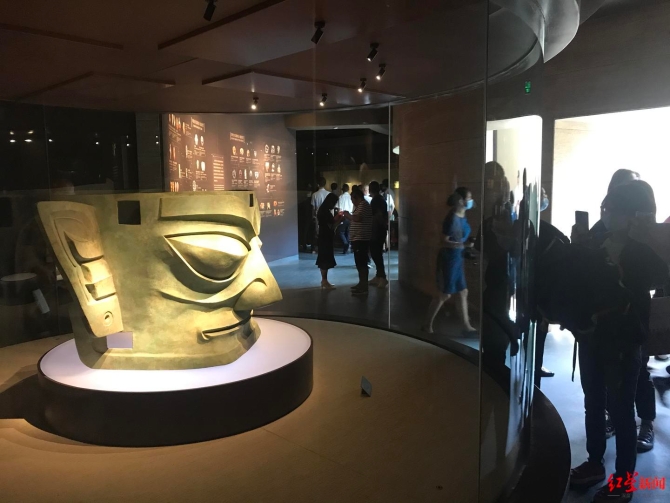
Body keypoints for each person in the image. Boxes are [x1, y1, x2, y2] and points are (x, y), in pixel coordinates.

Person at [569, 180, 668, 503]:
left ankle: (624, 481)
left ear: (632, 216)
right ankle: (595, 462)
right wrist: (578, 247)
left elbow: (658, 278)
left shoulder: (645, 252)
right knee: (593, 401)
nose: (606, 215)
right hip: (592, 336)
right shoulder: (598, 241)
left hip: (624, 342)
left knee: (622, 411)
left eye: (611, 210)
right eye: (604, 208)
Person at [573, 169, 657, 449]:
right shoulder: (600, 228)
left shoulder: (647, 236)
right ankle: (611, 422)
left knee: (639, 372)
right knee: (604, 384)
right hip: (603, 322)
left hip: (632, 323)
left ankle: (646, 421)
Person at [423, 187, 477, 335]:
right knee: (445, 293)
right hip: (450, 258)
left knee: (463, 291)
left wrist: (464, 245)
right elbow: (444, 241)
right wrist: (463, 245)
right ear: (460, 200)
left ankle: (466, 325)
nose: (470, 201)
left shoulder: (462, 215)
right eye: (468, 198)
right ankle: (427, 324)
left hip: (458, 258)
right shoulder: (452, 218)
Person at [343, 188, 373, 296]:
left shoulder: (363, 205)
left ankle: (363, 286)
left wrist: (347, 215)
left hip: (361, 239)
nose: (352, 202)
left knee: (361, 263)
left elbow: (357, 218)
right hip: (358, 238)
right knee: (359, 263)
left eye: (352, 199)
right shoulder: (360, 206)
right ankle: (361, 284)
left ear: (357, 198)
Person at [316, 193, 343, 289]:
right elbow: (332, 225)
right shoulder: (325, 212)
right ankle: (324, 280)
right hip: (326, 237)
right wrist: (340, 220)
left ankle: (324, 280)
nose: (334, 205)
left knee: (323, 257)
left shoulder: (322, 210)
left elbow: (330, 222)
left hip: (323, 236)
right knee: (325, 258)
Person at [368, 181, 388, 288]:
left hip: (377, 230)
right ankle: (379, 275)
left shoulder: (376, 200)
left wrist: (374, 230)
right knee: (376, 253)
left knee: (376, 254)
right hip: (380, 229)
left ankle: (382, 277)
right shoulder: (380, 199)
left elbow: (378, 216)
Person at [337, 183, 353, 254]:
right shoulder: (351, 197)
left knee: (341, 231)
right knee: (348, 232)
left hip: (343, 216)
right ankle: (347, 244)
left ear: (342, 189)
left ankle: (345, 243)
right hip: (350, 216)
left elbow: (339, 209)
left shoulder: (341, 197)